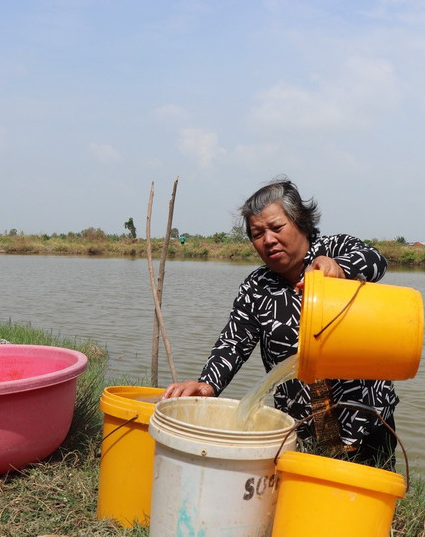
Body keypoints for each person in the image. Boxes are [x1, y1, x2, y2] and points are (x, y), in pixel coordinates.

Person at [163, 178, 398, 469]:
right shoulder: (256, 287)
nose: (268, 240)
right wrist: (207, 384)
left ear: (301, 223)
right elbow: (234, 342)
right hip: (301, 428)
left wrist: (339, 268)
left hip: (366, 420)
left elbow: (376, 260)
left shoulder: (334, 248)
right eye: (257, 233)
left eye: (276, 227)